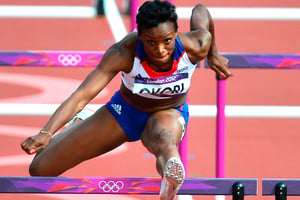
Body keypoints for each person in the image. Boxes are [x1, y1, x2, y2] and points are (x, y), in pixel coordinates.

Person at [20, 1, 231, 199]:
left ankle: (171, 177)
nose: (160, 50)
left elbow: (201, 11)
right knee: (40, 168)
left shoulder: (195, 46)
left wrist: (213, 54)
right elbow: (82, 95)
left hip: (169, 112)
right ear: (139, 35)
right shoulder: (122, 53)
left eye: (167, 41)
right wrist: (47, 132)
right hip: (125, 113)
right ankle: (81, 122)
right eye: (151, 42)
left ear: (176, 32)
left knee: (164, 137)